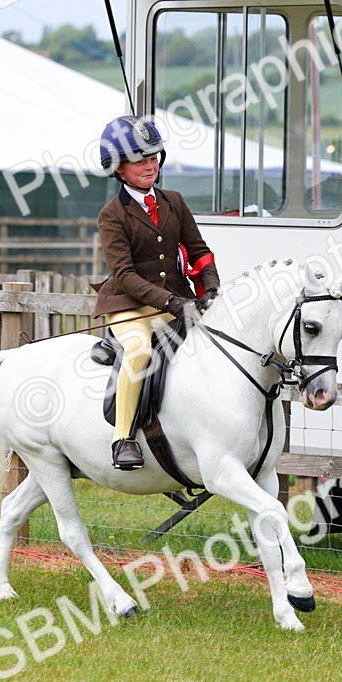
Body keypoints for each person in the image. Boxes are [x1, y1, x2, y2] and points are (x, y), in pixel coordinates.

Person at [92, 115, 220, 471]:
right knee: (139, 349)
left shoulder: (175, 201)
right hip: (130, 304)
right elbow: (125, 275)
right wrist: (170, 301)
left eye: (154, 157)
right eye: (139, 160)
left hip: (176, 301)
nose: (150, 166)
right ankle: (123, 438)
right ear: (118, 169)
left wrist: (210, 286)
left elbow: (198, 251)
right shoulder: (112, 215)